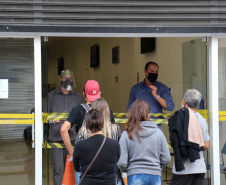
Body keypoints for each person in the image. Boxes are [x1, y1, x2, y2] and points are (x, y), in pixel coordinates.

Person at [118, 99, 171, 185]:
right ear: (148, 115)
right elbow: (167, 158)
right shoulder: (158, 132)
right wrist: (156, 167)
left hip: (134, 174)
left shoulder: (126, 134)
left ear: (131, 114)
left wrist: (129, 169)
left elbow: (121, 162)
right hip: (155, 175)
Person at [60, 80, 115, 156]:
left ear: (84, 94)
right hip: (105, 154)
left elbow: (63, 129)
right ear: (100, 93)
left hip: (85, 155)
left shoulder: (77, 110)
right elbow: (113, 132)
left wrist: (72, 152)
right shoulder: (107, 110)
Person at [75, 98, 123, 185]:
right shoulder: (116, 129)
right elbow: (121, 153)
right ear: (107, 111)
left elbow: (77, 159)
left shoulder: (84, 130)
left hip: (88, 177)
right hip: (112, 177)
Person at [168, 89, 210, 185]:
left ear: (185, 101)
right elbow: (206, 145)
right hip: (199, 168)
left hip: (184, 170)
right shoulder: (203, 120)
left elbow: (173, 139)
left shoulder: (179, 117)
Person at [48, 69, 82, 185]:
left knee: (71, 170)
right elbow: (44, 117)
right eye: (65, 78)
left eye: (70, 78)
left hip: (71, 139)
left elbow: (81, 118)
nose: (68, 80)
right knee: (58, 171)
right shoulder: (51, 96)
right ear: (60, 79)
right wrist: (51, 120)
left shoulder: (77, 97)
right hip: (55, 139)